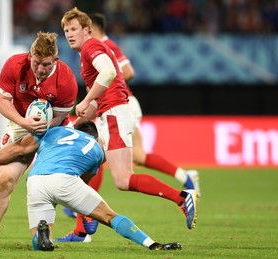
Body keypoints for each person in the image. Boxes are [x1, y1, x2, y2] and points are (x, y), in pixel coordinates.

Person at [56, 7, 198, 242]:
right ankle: (83, 227)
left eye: (73, 29)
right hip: (110, 113)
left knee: (123, 179)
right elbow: (97, 98)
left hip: (114, 116)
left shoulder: (92, 46)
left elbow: (110, 72)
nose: (69, 34)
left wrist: (87, 99)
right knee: (85, 167)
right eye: (66, 30)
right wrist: (76, 122)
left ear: (87, 30)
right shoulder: (87, 54)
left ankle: (182, 198)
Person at [0, 121, 184, 252]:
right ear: (95, 136)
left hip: (36, 180)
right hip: (66, 181)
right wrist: (79, 207)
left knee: (40, 241)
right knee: (110, 217)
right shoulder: (96, 148)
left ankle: (41, 238)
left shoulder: (54, 132)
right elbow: (84, 182)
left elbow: (19, 149)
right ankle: (153, 245)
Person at [0, 31, 78, 250]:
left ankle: (67, 229)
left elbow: (44, 130)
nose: (40, 69)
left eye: (46, 65)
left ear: (55, 60)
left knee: (48, 183)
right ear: (30, 55)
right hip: (21, 122)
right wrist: (22, 121)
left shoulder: (66, 80)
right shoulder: (14, 65)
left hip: (54, 128)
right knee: (4, 181)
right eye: (36, 63)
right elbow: (1, 101)